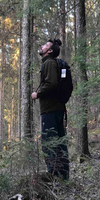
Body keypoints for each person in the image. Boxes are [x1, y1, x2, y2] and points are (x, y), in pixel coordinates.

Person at [31, 39, 69, 180]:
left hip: (50, 110)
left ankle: (53, 175)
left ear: (50, 51)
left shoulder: (48, 63)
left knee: (49, 143)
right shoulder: (53, 64)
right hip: (57, 108)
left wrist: (37, 94)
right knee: (59, 142)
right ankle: (63, 176)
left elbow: (51, 83)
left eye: (45, 45)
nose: (41, 46)